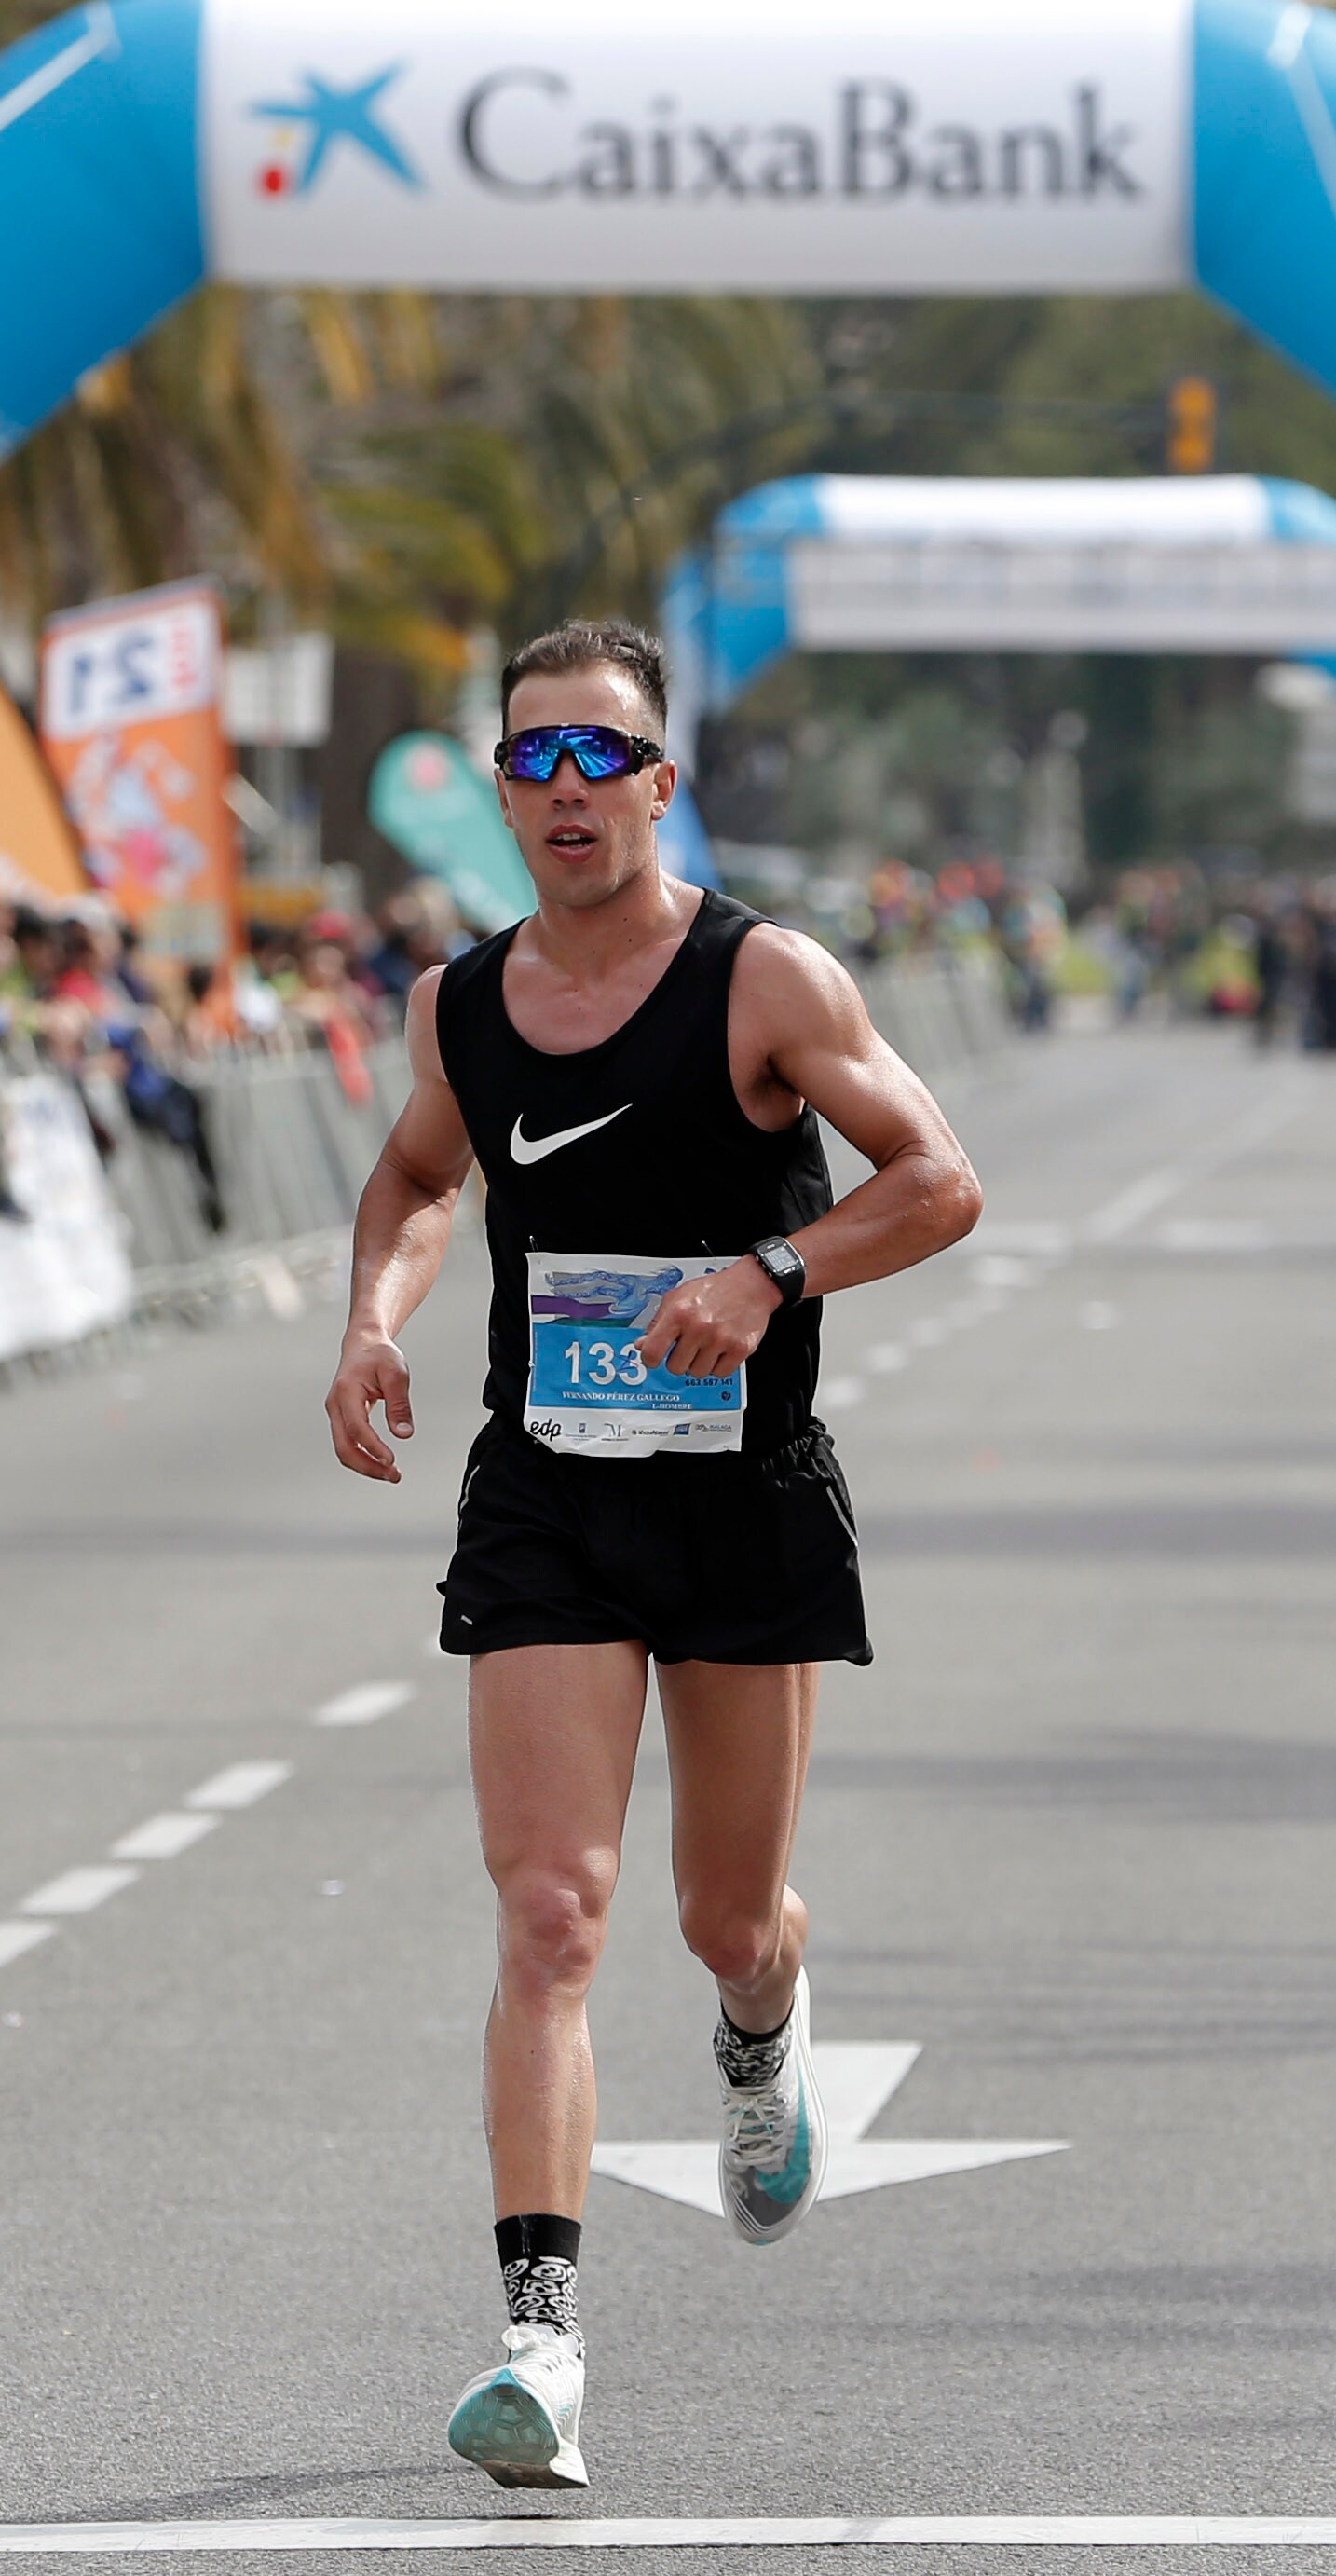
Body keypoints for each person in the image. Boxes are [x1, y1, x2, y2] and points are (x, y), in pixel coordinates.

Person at [324, 619, 982, 2493]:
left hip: (739, 1494)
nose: (563, 790)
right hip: (545, 1486)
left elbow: (940, 1179)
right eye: (531, 759)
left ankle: (764, 2027)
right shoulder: (464, 999)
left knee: (722, 1916)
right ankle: (540, 2343)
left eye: (600, 756)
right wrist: (371, 1318)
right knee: (549, 1913)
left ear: (659, 780)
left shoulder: (765, 979)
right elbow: (417, 1176)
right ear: (503, 787)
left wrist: (769, 1271)